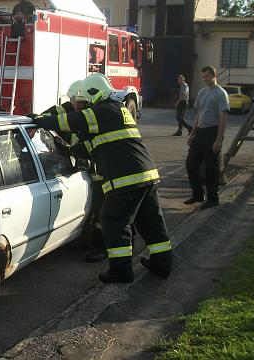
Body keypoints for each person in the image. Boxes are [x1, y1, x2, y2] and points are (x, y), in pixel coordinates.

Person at [30, 74, 172, 283]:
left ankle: (121, 270)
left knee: (113, 220)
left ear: (93, 94)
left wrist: (41, 121)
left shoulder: (103, 110)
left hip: (126, 179)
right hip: (147, 174)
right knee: (150, 220)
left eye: (86, 101)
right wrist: (70, 149)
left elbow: (70, 121)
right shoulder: (118, 110)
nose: (85, 106)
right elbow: (96, 147)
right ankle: (163, 264)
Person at [184, 65, 230, 209]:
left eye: (207, 76)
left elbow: (223, 119)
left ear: (214, 76)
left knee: (211, 168)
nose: (204, 79)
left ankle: (213, 199)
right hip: (201, 132)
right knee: (191, 163)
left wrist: (218, 140)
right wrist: (192, 134)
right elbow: (199, 114)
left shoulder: (221, 94)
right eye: (203, 77)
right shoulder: (202, 92)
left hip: (213, 132)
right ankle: (197, 194)